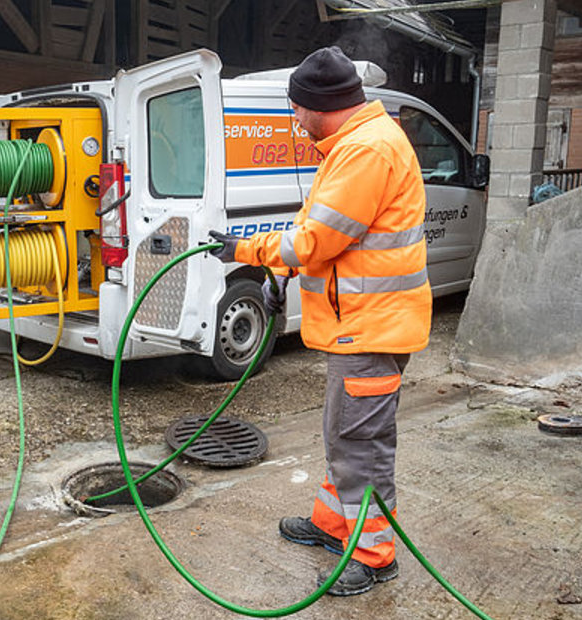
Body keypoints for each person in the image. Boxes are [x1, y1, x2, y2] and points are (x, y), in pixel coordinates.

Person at [208, 46, 432, 597]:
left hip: (371, 327)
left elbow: (315, 241)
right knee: (344, 434)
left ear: (317, 106)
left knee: (362, 444)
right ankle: (335, 526)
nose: (294, 118)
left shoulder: (366, 151)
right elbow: (327, 235)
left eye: (296, 109)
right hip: (359, 324)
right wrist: (280, 270)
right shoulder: (356, 144)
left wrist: (251, 250)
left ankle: (375, 555)